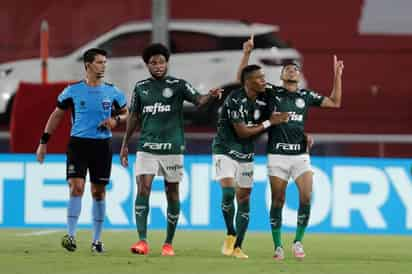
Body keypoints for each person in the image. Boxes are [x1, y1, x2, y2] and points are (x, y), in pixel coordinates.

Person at [238, 36, 344, 260]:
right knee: (278, 200)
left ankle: (297, 242)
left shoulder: (306, 96)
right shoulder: (272, 93)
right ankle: (278, 246)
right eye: (287, 68)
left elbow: (335, 102)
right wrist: (247, 53)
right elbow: (244, 81)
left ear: (299, 75)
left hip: (300, 155)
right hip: (277, 155)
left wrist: (337, 76)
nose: (291, 70)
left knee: (306, 197)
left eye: (295, 68)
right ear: (281, 74)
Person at [120, 43, 222, 256]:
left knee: (172, 192)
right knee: (143, 188)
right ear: (147, 65)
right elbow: (134, 117)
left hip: (172, 148)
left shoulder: (178, 85)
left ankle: (168, 243)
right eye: (153, 62)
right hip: (147, 146)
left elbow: (199, 101)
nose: (158, 66)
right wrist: (124, 145)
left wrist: (210, 95)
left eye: (161, 61)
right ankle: (142, 241)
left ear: (167, 63)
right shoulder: (141, 87)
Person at [35, 48, 128, 253]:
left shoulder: (113, 91)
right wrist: (44, 142)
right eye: (99, 62)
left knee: (98, 192)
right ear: (87, 65)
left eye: (105, 62)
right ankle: (71, 235)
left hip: (102, 146)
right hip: (78, 145)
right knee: (76, 187)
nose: (103, 66)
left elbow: (127, 114)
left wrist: (116, 120)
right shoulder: (72, 91)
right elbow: (57, 115)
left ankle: (96, 240)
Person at [213, 64, 288, 259]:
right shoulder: (235, 99)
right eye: (259, 78)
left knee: (244, 199)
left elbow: (289, 93)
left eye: (264, 77)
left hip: (246, 153)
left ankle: (238, 246)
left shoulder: (265, 93)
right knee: (229, 192)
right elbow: (242, 132)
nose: (264, 80)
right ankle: (230, 232)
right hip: (225, 149)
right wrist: (270, 122)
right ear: (248, 82)